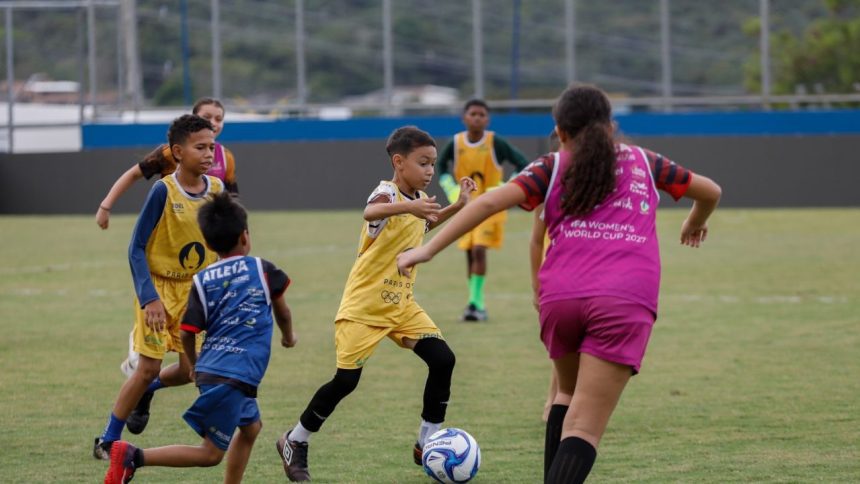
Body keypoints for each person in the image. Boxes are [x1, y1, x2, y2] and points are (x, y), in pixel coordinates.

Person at [397, 84, 722, 483]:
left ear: (561, 132)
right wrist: (695, 221)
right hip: (623, 300)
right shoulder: (644, 160)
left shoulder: (550, 166)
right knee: (584, 429)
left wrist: (426, 251)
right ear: (610, 127)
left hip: (560, 298)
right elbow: (710, 191)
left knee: (564, 396)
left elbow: (488, 203)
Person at [275, 126, 476, 482]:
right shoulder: (387, 193)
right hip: (363, 308)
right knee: (345, 382)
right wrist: (411, 206)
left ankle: (427, 440)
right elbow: (370, 212)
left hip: (401, 306)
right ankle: (295, 439)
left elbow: (424, 226)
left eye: (433, 163)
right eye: (423, 163)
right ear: (399, 162)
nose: (430, 170)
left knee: (443, 359)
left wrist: (458, 205)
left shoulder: (417, 199)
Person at [104, 192, 296, 484]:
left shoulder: (203, 280)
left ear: (207, 244)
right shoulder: (263, 269)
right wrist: (288, 337)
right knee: (210, 454)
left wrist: (193, 364)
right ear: (245, 236)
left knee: (251, 428)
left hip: (215, 370)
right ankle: (133, 456)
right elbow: (283, 311)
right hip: (233, 376)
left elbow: (187, 331)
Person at [93, 114, 226, 460]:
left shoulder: (217, 189)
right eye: (200, 147)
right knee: (148, 366)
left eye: (211, 147)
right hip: (159, 290)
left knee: (190, 370)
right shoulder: (163, 191)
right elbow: (136, 248)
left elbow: (223, 244)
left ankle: (148, 390)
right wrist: (149, 298)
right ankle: (107, 440)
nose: (209, 154)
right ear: (178, 152)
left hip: (195, 293)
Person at [98, 98, 239, 381]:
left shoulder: (225, 159)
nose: (213, 123)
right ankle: (139, 351)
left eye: (219, 118)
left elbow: (232, 204)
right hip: (166, 252)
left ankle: (145, 384)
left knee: (192, 368)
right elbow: (134, 174)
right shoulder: (167, 157)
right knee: (149, 363)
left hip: (195, 272)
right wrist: (106, 205)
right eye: (207, 117)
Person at [437, 99, 531, 321]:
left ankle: (476, 304)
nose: (477, 118)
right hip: (466, 206)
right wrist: (451, 188)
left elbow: (522, 163)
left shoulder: (495, 142)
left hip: (491, 206)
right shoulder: (456, 143)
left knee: (479, 249)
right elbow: (440, 166)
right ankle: (475, 304)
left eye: (482, 115)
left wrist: (504, 188)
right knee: (470, 253)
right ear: (464, 118)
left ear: (487, 119)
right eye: (473, 114)